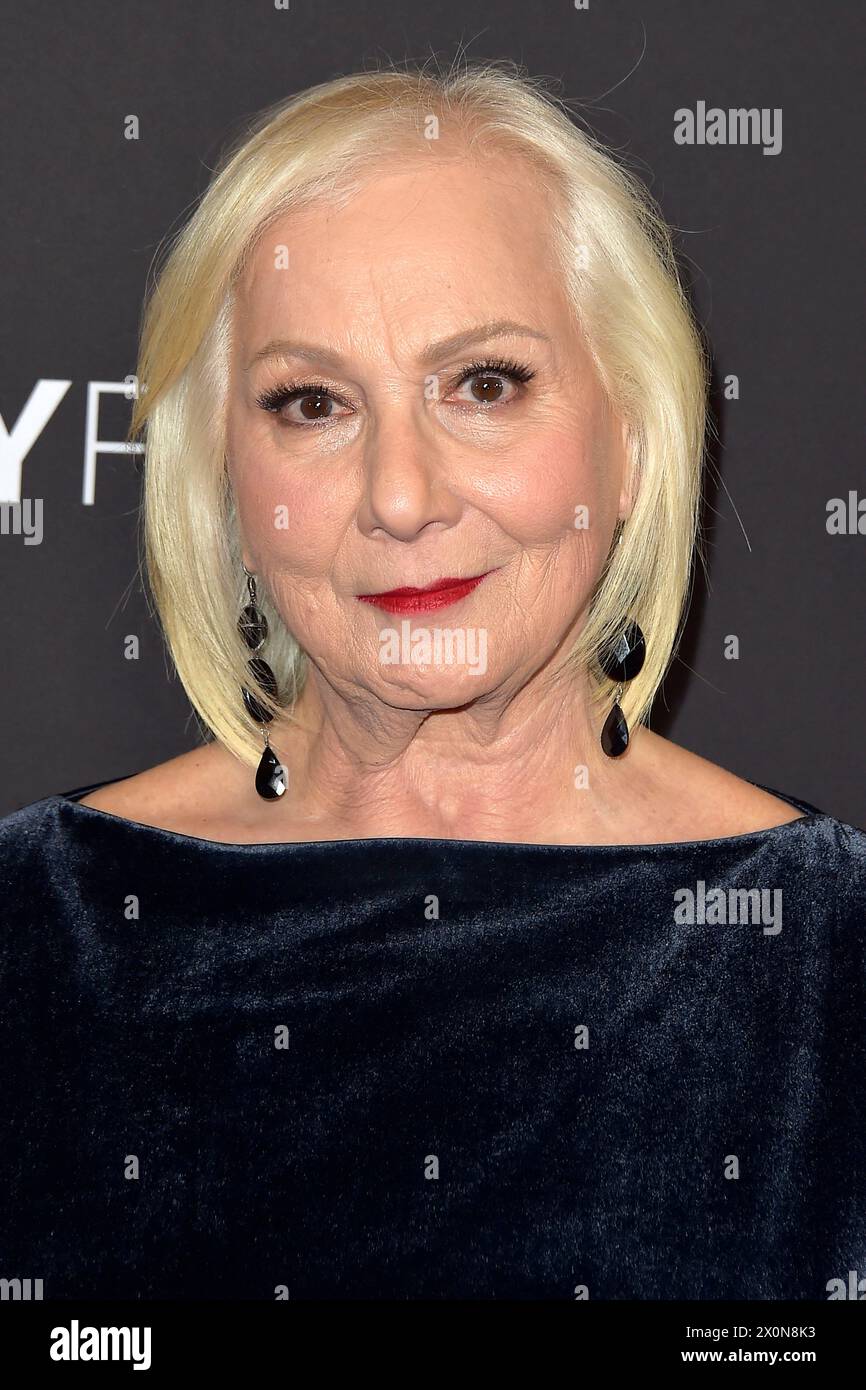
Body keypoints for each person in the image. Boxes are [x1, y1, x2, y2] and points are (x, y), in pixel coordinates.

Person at [1, 59, 863, 1301]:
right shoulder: (44, 932)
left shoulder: (824, 953)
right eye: (312, 404)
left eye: (484, 385)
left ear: (629, 440)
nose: (401, 496)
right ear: (226, 483)